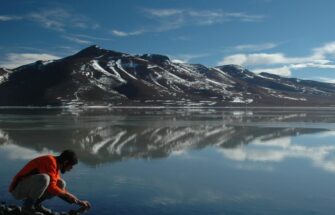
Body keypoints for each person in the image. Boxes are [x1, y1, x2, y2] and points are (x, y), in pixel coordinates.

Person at [9, 150, 91, 215]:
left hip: (27, 188)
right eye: (71, 166)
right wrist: (68, 195)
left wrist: (79, 202)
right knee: (45, 178)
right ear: (65, 162)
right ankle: (27, 208)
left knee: (61, 183)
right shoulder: (50, 161)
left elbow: (58, 190)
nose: (70, 169)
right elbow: (52, 188)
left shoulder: (56, 167)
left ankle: (35, 205)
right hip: (17, 189)